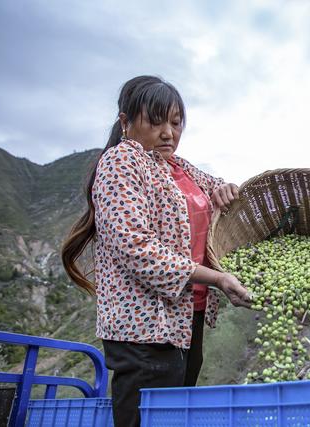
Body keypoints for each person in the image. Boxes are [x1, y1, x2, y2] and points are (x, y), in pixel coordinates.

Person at [61, 75, 251, 427]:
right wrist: (216, 278)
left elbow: (216, 189)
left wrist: (225, 189)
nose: (169, 133)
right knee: (146, 419)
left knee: (175, 417)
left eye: (176, 123)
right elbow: (136, 247)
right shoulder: (122, 163)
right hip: (144, 325)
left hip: (186, 320)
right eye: (156, 121)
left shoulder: (178, 166)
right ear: (126, 122)